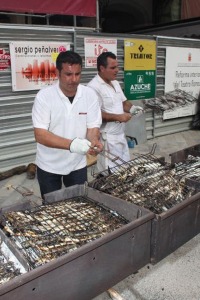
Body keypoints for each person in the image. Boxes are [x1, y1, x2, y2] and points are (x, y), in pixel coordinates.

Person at [32, 50, 103, 198]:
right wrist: (73, 145)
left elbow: (92, 127)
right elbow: (40, 135)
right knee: (52, 208)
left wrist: (94, 141)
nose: (74, 79)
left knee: (80, 203)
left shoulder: (89, 95)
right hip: (49, 164)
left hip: (77, 164)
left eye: (77, 74)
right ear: (57, 73)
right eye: (68, 74)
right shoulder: (44, 97)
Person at [88, 51, 143, 172]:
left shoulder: (115, 83)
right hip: (108, 138)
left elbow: (123, 103)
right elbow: (95, 115)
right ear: (102, 68)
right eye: (113, 68)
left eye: (117, 67)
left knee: (124, 169)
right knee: (110, 173)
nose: (117, 70)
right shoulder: (93, 87)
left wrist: (133, 108)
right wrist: (118, 117)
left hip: (121, 135)